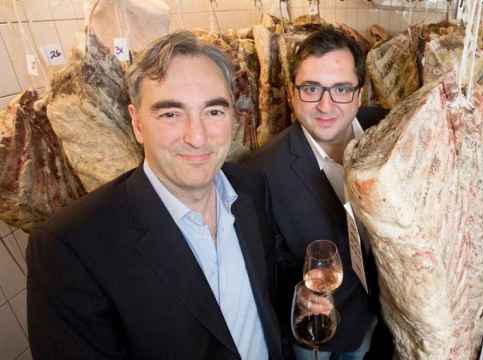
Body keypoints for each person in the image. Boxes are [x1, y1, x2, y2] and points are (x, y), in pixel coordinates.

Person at [26, 31, 284, 360]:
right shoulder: (67, 247)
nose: (197, 136)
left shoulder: (250, 189)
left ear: (233, 115)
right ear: (136, 123)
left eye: (213, 111)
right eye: (170, 114)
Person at [245, 27, 391, 360]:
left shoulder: (387, 128)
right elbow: (263, 272)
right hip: (325, 332)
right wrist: (298, 294)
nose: (326, 105)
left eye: (340, 89)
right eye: (311, 89)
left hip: (390, 317)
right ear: (293, 94)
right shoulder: (261, 173)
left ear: (359, 93)